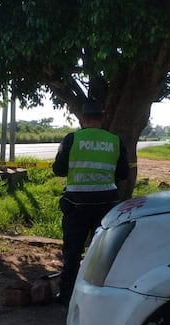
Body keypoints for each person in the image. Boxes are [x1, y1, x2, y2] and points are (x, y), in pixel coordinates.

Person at [52, 100, 129, 305]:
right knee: (103, 252)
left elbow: (58, 170)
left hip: (76, 203)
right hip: (106, 204)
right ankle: (100, 298)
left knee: (72, 252)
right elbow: (123, 174)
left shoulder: (72, 139)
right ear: (102, 119)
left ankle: (67, 296)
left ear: (83, 119)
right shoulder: (115, 141)